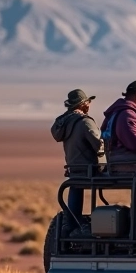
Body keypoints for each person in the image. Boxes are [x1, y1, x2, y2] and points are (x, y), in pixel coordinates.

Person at [50, 89, 104, 230]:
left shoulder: (65, 122)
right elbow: (99, 145)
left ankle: (72, 224)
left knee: (75, 188)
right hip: (91, 169)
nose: (89, 105)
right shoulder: (85, 122)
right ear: (83, 104)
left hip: (74, 169)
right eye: (88, 102)